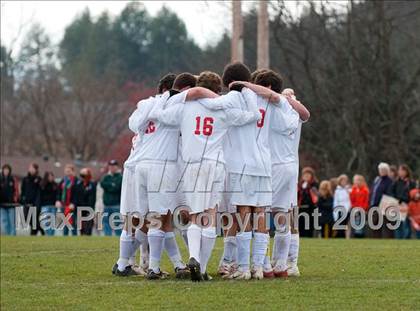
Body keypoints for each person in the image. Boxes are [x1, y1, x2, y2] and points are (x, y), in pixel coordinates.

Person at [151, 69, 268, 281]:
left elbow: (159, 116)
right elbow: (254, 116)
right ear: (217, 90)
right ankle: (202, 269)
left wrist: (167, 97)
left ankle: (194, 256)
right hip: (215, 164)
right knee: (210, 216)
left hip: (191, 164)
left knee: (196, 215)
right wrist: (247, 94)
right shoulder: (224, 108)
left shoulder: (185, 107)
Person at [249, 72, 309, 278]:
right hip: (290, 165)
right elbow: (305, 114)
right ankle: (285, 264)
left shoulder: (272, 105)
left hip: (271, 165)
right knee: (286, 215)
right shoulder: (292, 107)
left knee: (262, 213)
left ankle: (265, 265)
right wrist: (290, 98)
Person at [369, 162, 393, 238]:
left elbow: (389, 193)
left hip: (384, 205)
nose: (381, 171)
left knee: (387, 225)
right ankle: (376, 241)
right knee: (374, 224)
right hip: (374, 205)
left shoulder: (389, 181)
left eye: (383, 170)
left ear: (387, 171)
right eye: (380, 170)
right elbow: (373, 192)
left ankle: (388, 241)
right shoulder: (377, 180)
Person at [391, 164, 415, 239]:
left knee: (406, 224)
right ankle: (398, 239)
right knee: (397, 224)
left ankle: (406, 239)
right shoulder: (396, 182)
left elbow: (413, 194)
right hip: (397, 205)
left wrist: (405, 201)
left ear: (406, 171)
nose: (400, 172)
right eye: (399, 170)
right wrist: (396, 200)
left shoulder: (411, 182)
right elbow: (391, 191)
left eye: (402, 170)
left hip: (406, 205)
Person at [100, 160, 123, 236]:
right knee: (106, 223)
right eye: (110, 166)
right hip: (106, 205)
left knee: (117, 223)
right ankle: (107, 237)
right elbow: (102, 184)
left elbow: (116, 187)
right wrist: (111, 185)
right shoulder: (106, 177)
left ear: (117, 167)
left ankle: (118, 238)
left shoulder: (120, 177)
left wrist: (109, 186)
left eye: (113, 166)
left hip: (116, 205)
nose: (112, 167)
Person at [72, 168, 96, 235]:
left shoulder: (92, 184)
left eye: (84, 174)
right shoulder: (78, 184)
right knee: (81, 228)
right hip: (79, 208)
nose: (82, 176)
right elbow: (75, 196)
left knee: (88, 228)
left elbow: (92, 198)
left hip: (89, 208)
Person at [21, 163, 43, 235]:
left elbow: (40, 192)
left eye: (32, 168)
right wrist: (22, 199)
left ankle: (33, 235)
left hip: (35, 203)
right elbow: (23, 190)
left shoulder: (39, 179)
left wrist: (38, 203)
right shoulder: (25, 179)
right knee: (27, 219)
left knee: (34, 220)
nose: (30, 169)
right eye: (30, 168)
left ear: (36, 169)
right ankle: (41, 229)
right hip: (27, 203)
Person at [56, 164, 78, 236]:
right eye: (66, 171)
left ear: (73, 171)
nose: (67, 172)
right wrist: (58, 200)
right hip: (64, 205)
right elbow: (59, 192)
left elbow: (77, 194)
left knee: (72, 223)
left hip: (71, 206)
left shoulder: (75, 181)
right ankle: (65, 237)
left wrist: (73, 203)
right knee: (65, 223)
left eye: (69, 171)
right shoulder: (63, 181)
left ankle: (74, 238)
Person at [298, 167, 319, 238]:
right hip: (300, 208)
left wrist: (308, 187)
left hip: (310, 208)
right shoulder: (300, 184)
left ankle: (309, 237)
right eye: (305, 174)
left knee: (309, 225)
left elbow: (315, 196)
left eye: (308, 174)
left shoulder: (314, 184)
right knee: (300, 225)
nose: (306, 175)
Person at [38, 172, 59, 236]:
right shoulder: (42, 185)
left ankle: (51, 235)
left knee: (52, 222)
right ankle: (47, 233)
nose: (51, 178)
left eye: (52, 176)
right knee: (45, 221)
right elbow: (40, 196)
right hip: (45, 205)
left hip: (53, 205)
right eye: (49, 176)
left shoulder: (55, 185)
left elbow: (57, 195)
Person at [0, 164, 19, 235]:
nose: (6, 171)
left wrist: (15, 200)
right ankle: (8, 236)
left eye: (7, 170)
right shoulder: (0, 179)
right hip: (2, 205)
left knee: (12, 222)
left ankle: (13, 236)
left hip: (11, 204)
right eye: (5, 169)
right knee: (4, 221)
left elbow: (16, 191)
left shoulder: (13, 179)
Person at [333, 174, 351, 238]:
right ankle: (340, 237)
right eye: (342, 181)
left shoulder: (349, 190)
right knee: (340, 226)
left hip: (348, 210)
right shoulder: (337, 191)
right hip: (340, 210)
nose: (344, 182)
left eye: (345, 181)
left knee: (346, 225)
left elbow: (350, 200)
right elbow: (336, 202)